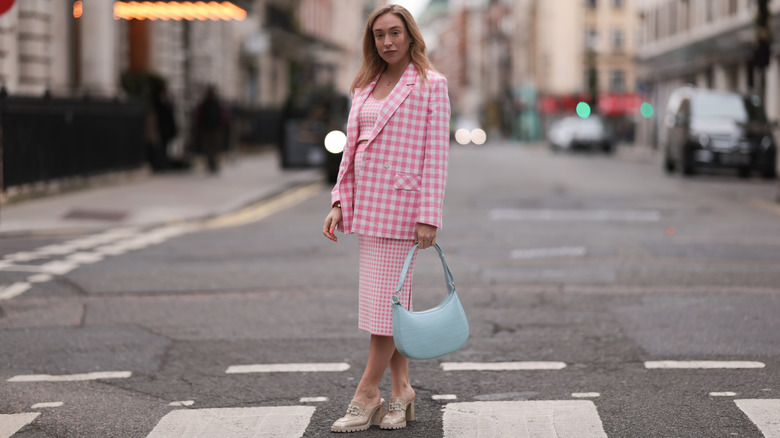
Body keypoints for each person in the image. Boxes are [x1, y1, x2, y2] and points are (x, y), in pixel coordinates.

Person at [322, 4, 450, 433]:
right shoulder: (364, 85)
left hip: (403, 210)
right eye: (379, 35)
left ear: (411, 35)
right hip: (367, 207)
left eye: (395, 32)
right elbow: (351, 150)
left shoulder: (431, 85)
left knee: (384, 307)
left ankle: (366, 392)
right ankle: (402, 389)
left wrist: (428, 215)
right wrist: (339, 202)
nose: (388, 41)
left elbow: (436, 157)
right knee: (391, 305)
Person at [195, 85, 228, 174]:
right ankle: (211, 163)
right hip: (206, 128)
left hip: (216, 128)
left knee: (215, 147)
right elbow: (199, 116)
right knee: (208, 147)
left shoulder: (217, 104)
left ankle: (214, 163)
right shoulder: (204, 104)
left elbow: (223, 116)